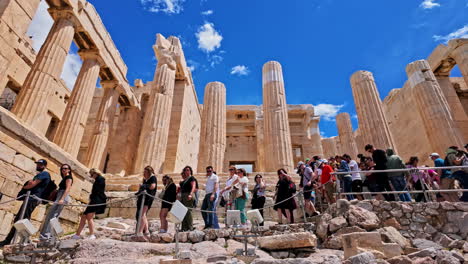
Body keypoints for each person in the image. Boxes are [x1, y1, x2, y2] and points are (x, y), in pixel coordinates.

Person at [0, 159, 51, 247]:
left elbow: (32, 185)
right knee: (22, 219)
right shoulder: (40, 174)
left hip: (32, 199)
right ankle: (13, 240)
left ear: (45, 166)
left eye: (40, 164)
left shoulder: (44, 174)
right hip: (30, 198)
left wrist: (25, 186)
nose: (38, 166)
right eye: (38, 164)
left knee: (21, 219)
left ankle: (23, 241)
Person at [40, 164, 73, 240]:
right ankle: (47, 234)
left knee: (53, 215)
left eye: (65, 168)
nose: (63, 170)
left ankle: (48, 235)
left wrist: (62, 199)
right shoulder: (64, 178)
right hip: (60, 196)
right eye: (62, 168)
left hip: (62, 196)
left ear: (69, 170)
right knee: (52, 215)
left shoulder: (69, 177)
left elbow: (67, 189)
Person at [73, 168, 107, 239]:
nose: (91, 176)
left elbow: (98, 192)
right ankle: (77, 235)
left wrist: (92, 198)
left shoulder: (101, 179)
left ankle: (92, 234)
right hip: (94, 200)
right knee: (84, 216)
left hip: (96, 200)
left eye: (91, 175)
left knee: (89, 217)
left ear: (95, 173)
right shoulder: (98, 179)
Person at [135, 166, 157, 236]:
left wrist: (144, 185)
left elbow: (152, 186)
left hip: (148, 198)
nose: (144, 173)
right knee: (143, 214)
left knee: (142, 214)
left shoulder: (153, 177)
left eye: (145, 172)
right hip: (143, 198)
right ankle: (146, 231)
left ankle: (141, 231)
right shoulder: (145, 179)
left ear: (149, 172)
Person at [179, 166, 196, 231]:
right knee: (183, 211)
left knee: (188, 211)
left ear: (190, 171)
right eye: (185, 170)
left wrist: (191, 194)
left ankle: (190, 227)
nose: (186, 171)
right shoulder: (185, 180)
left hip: (188, 195)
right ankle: (184, 227)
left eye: (188, 170)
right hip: (183, 196)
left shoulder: (191, 178)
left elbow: (193, 186)